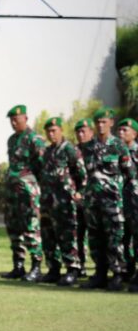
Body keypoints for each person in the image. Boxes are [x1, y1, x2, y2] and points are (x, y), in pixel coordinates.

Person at [80, 108, 137, 290]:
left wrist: (122, 196)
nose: (100, 125)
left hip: (113, 202)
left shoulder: (119, 146)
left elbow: (130, 173)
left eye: (104, 121)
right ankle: (100, 273)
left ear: (111, 123)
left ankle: (118, 274)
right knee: (95, 238)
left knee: (115, 238)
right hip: (92, 201)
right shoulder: (87, 147)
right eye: (98, 122)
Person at [38, 117, 87, 286]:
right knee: (48, 236)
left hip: (65, 201)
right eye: (48, 131)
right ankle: (53, 268)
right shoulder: (47, 152)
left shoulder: (70, 149)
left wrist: (80, 192)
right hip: (48, 201)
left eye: (54, 131)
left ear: (61, 130)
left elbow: (81, 173)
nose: (51, 134)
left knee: (67, 235)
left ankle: (73, 269)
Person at [1, 105, 45, 282]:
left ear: (25, 119)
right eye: (11, 120)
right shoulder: (12, 140)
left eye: (16, 120)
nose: (13, 123)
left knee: (30, 226)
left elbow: (42, 166)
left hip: (29, 191)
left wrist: (36, 188)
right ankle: (18, 266)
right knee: (14, 227)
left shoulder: (34, 139)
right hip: (13, 191)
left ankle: (36, 267)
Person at [118, 117, 138, 292]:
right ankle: (127, 269)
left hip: (135, 201)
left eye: (125, 130)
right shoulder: (117, 151)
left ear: (134, 133)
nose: (121, 133)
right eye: (120, 130)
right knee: (123, 237)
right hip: (120, 201)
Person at [73, 118, 94, 276]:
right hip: (78, 200)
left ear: (91, 133)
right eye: (78, 132)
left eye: (84, 131)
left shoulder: (98, 149)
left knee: (97, 235)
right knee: (78, 233)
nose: (81, 134)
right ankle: (80, 266)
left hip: (96, 199)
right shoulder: (73, 151)